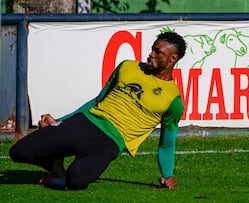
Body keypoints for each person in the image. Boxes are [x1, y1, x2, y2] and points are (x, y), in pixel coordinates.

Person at [9, 31, 186, 190]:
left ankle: (59, 173)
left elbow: (167, 143)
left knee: (76, 181)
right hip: (86, 122)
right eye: (152, 49)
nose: (150, 54)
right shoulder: (128, 67)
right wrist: (59, 122)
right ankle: (56, 164)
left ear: (172, 59)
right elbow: (97, 100)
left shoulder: (173, 100)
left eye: (157, 52)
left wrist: (167, 175)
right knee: (18, 152)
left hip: (111, 141)